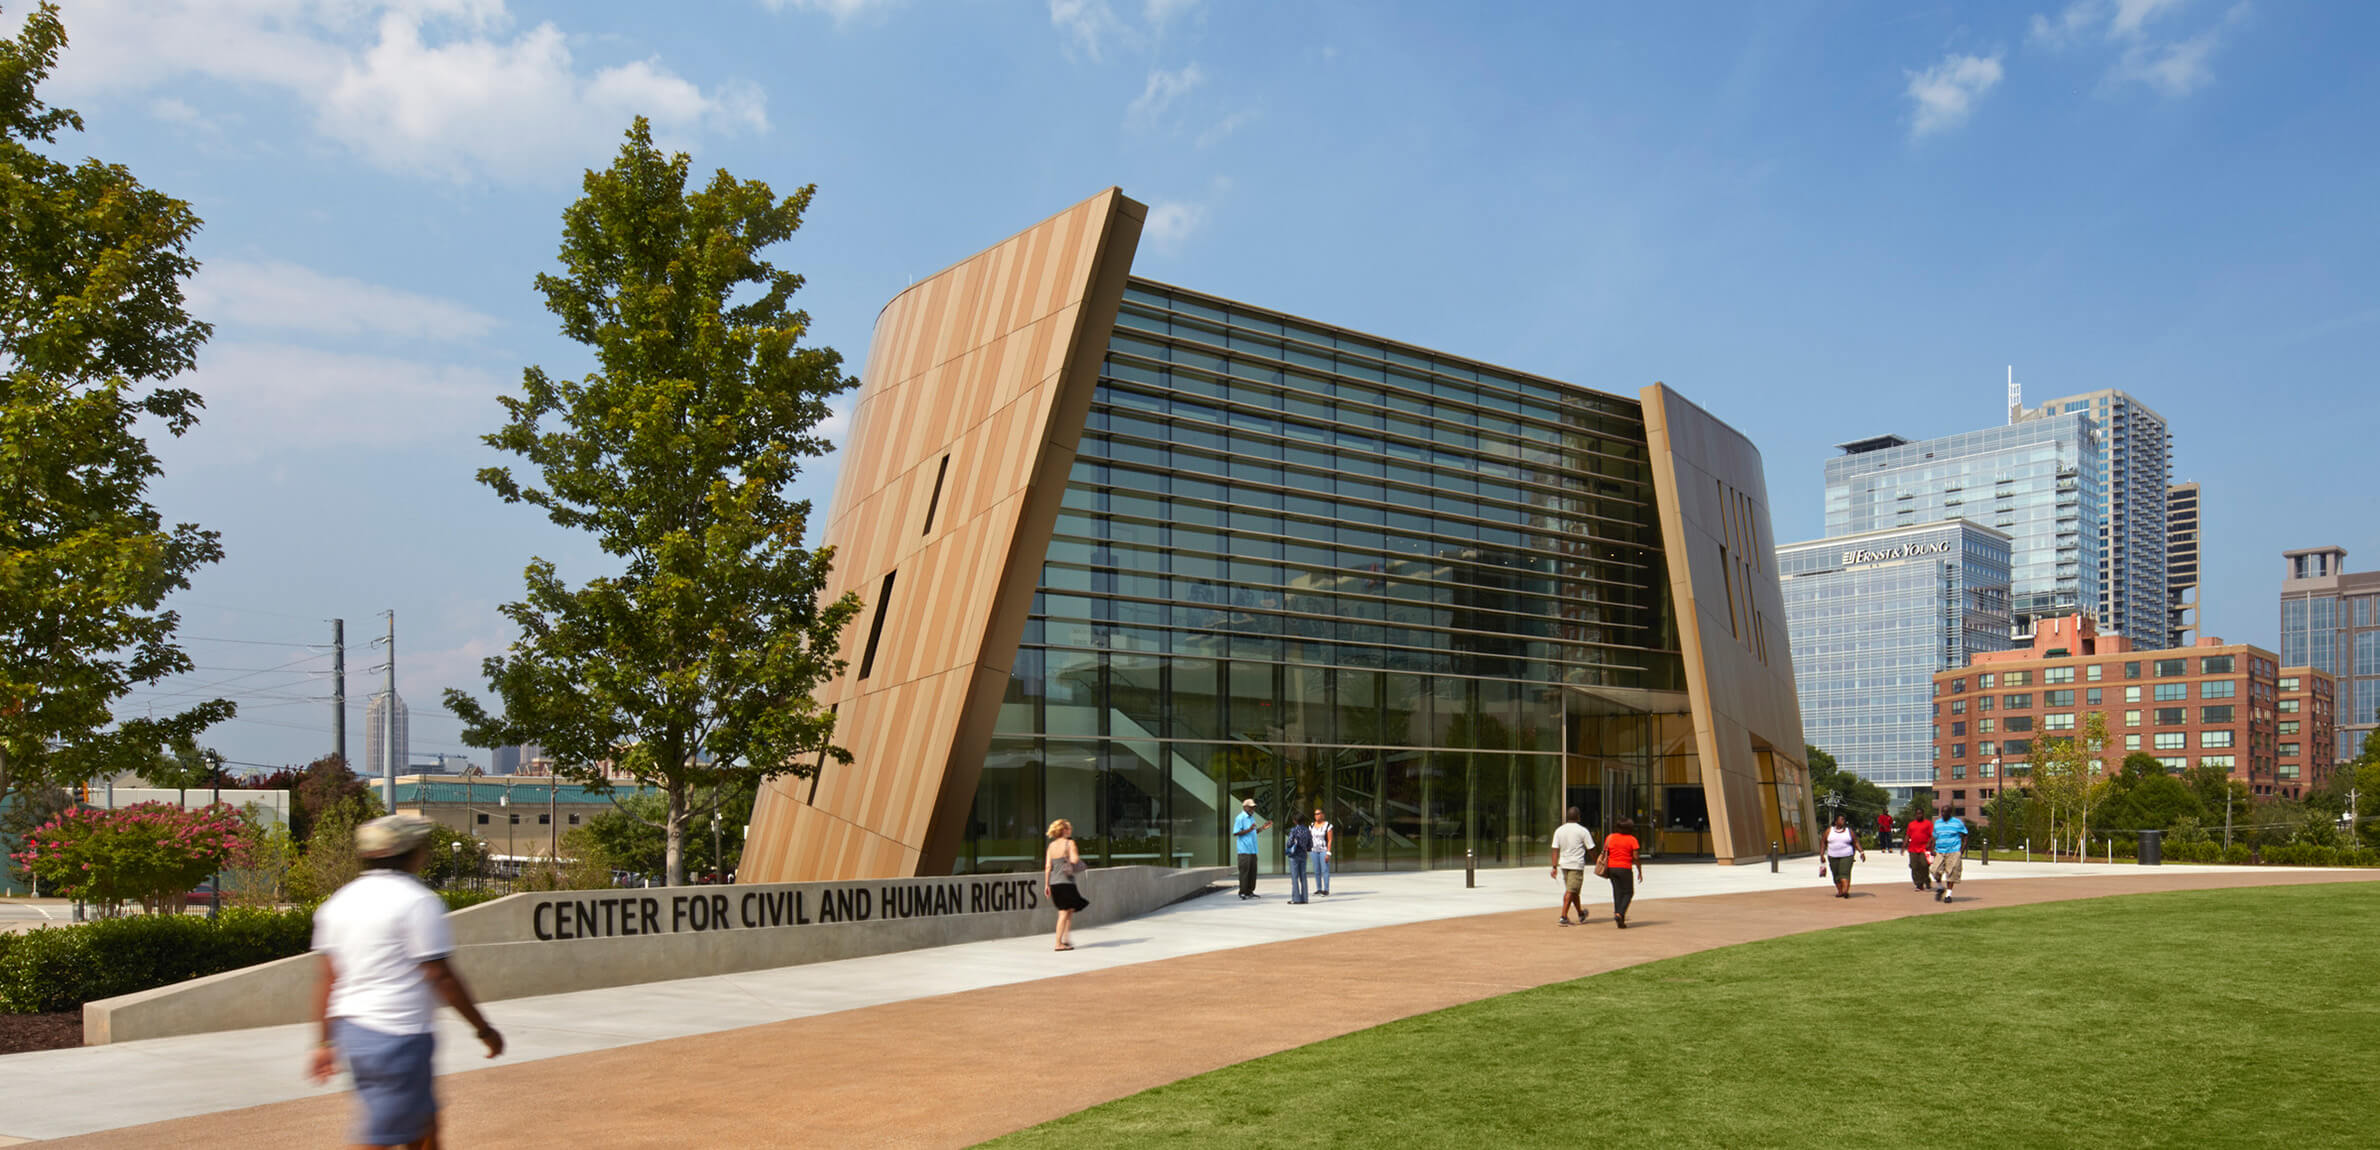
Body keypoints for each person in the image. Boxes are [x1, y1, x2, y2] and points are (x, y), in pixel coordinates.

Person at [308, 814, 503, 1150]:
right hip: (398, 1035)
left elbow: (328, 977)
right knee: (382, 1135)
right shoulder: (417, 901)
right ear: (412, 853)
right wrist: (484, 1030)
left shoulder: (338, 903)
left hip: (355, 1034)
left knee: (424, 1126)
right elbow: (440, 974)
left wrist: (324, 1043)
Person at [1043, 819, 1089, 950]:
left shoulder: (1051, 846)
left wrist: (1046, 885)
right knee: (1064, 913)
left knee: (1069, 910)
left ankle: (1066, 940)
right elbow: (1074, 859)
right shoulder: (1070, 843)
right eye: (1069, 828)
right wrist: (1072, 857)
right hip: (1066, 882)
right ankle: (1058, 943)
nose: (1070, 831)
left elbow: (1048, 867)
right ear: (1064, 830)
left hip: (1054, 883)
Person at [1550, 807, 1595, 926]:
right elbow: (1591, 848)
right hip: (1576, 864)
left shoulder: (1559, 830)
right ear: (1578, 817)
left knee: (1574, 891)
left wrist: (1554, 866)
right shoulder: (1583, 831)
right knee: (1570, 891)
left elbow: (1555, 849)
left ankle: (1581, 913)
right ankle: (1563, 917)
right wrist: (1597, 861)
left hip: (1564, 864)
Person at [1601, 816, 1646, 928]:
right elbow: (1635, 857)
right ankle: (1620, 914)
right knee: (1628, 892)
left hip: (1612, 867)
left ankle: (1619, 918)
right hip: (1625, 868)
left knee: (1617, 892)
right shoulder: (1632, 839)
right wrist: (1639, 870)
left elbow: (1606, 852)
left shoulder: (1610, 837)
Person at [1232, 798, 1272, 900]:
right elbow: (1236, 832)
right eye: (1250, 807)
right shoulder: (1240, 818)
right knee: (1244, 872)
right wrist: (1249, 829)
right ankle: (1242, 892)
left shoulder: (1252, 818)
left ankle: (1250, 891)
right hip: (1244, 850)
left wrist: (1263, 828)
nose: (1252, 809)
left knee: (1252, 872)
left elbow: (1253, 832)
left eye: (1253, 807)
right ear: (1245, 807)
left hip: (1253, 850)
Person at [1821, 812, 1864, 898]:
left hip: (1847, 855)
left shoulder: (1849, 831)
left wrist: (1861, 852)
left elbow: (1855, 842)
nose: (1843, 821)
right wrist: (1821, 854)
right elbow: (1823, 842)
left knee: (1844, 873)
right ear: (1836, 821)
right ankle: (1840, 891)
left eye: (1844, 820)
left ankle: (1845, 891)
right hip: (1833, 856)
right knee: (1836, 875)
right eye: (1841, 819)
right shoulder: (1829, 831)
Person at [1931, 806, 1968, 903]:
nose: (1943, 814)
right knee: (1934, 870)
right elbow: (1934, 836)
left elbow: (1965, 835)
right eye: (1942, 812)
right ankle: (1940, 887)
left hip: (1953, 851)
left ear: (1950, 813)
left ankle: (1948, 895)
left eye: (1946, 812)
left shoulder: (1957, 823)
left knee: (1951, 873)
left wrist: (1962, 850)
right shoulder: (1937, 823)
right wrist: (1931, 848)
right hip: (1940, 851)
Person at [1903, 809, 1935, 893]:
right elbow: (1907, 835)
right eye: (1917, 814)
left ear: (1923, 814)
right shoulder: (1911, 824)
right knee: (1914, 866)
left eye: (1920, 813)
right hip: (1913, 848)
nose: (1919, 815)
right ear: (1915, 815)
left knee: (1924, 865)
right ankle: (1919, 884)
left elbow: (1933, 835)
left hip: (1924, 849)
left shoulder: (1928, 823)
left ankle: (1926, 880)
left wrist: (1929, 843)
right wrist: (1903, 846)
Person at [1284, 818, 1313, 904]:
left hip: (1294, 855)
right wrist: (1305, 848)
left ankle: (1296, 898)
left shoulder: (1294, 830)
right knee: (1303, 877)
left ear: (1295, 821)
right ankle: (1305, 898)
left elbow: (1289, 843)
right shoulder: (1307, 830)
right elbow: (1310, 845)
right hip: (1303, 855)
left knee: (1295, 877)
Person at [1309, 808, 1334, 896]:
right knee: (1316, 870)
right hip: (1314, 850)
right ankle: (1319, 889)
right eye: (1315, 814)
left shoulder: (1328, 825)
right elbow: (1310, 838)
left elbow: (1330, 840)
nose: (1317, 815)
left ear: (1323, 815)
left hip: (1323, 850)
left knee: (1325, 870)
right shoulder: (1311, 825)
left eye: (1319, 813)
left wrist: (1328, 852)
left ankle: (1326, 889)